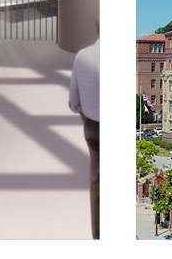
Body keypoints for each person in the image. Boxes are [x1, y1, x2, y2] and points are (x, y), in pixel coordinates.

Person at [68, 30, 100, 239]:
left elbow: (74, 102)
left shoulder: (83, 55)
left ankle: (98, 235)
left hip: (93, 125)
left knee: (97, 178)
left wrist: (86, 115)